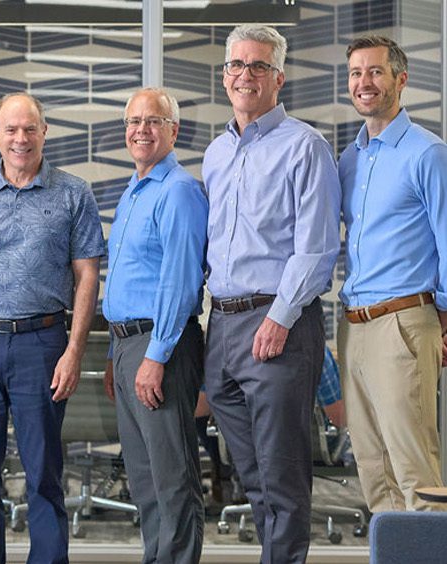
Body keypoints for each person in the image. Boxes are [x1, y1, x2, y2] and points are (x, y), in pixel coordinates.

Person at [0, 92, 104, 564]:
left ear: (44, 133)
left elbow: (87, 275)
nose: (20, 138)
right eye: (10, 129)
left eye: (30, 128)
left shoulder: (74, 194)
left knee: (44, 474)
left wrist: (74, 352)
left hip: (43, 344)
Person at [202, 24, 340, 563]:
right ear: (224, 76)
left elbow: (317, 247)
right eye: (237, 65)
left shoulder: (305, 146)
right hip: (223, 326)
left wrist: (279, 319)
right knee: (253, 476)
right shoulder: (216, 153)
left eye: (259, 65)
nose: (246, 75)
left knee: (282, 475)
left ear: (278, 78)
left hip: (277, 323)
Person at [339, 34, 447, 512]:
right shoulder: (350, 159)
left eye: (375, 71)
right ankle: (389, 549)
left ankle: (432, 547)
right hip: (354, 328)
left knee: (414, 471)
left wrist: (441, 320)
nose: (364, 82)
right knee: (373, 470)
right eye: (356, 73)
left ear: (401, 79)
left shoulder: (428, 154)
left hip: (403, 323)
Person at [101, 88, 208, 563]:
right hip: (128, 346)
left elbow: (180, 282)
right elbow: (129, 280)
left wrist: (155, 356)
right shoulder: (133, 192)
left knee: (172, 478)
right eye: (134, 121)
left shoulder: (179, 191)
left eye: (153, 121)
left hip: (161, 345)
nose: (141, 130)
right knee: (144, 482)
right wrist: (115, 354)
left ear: (173, 131)